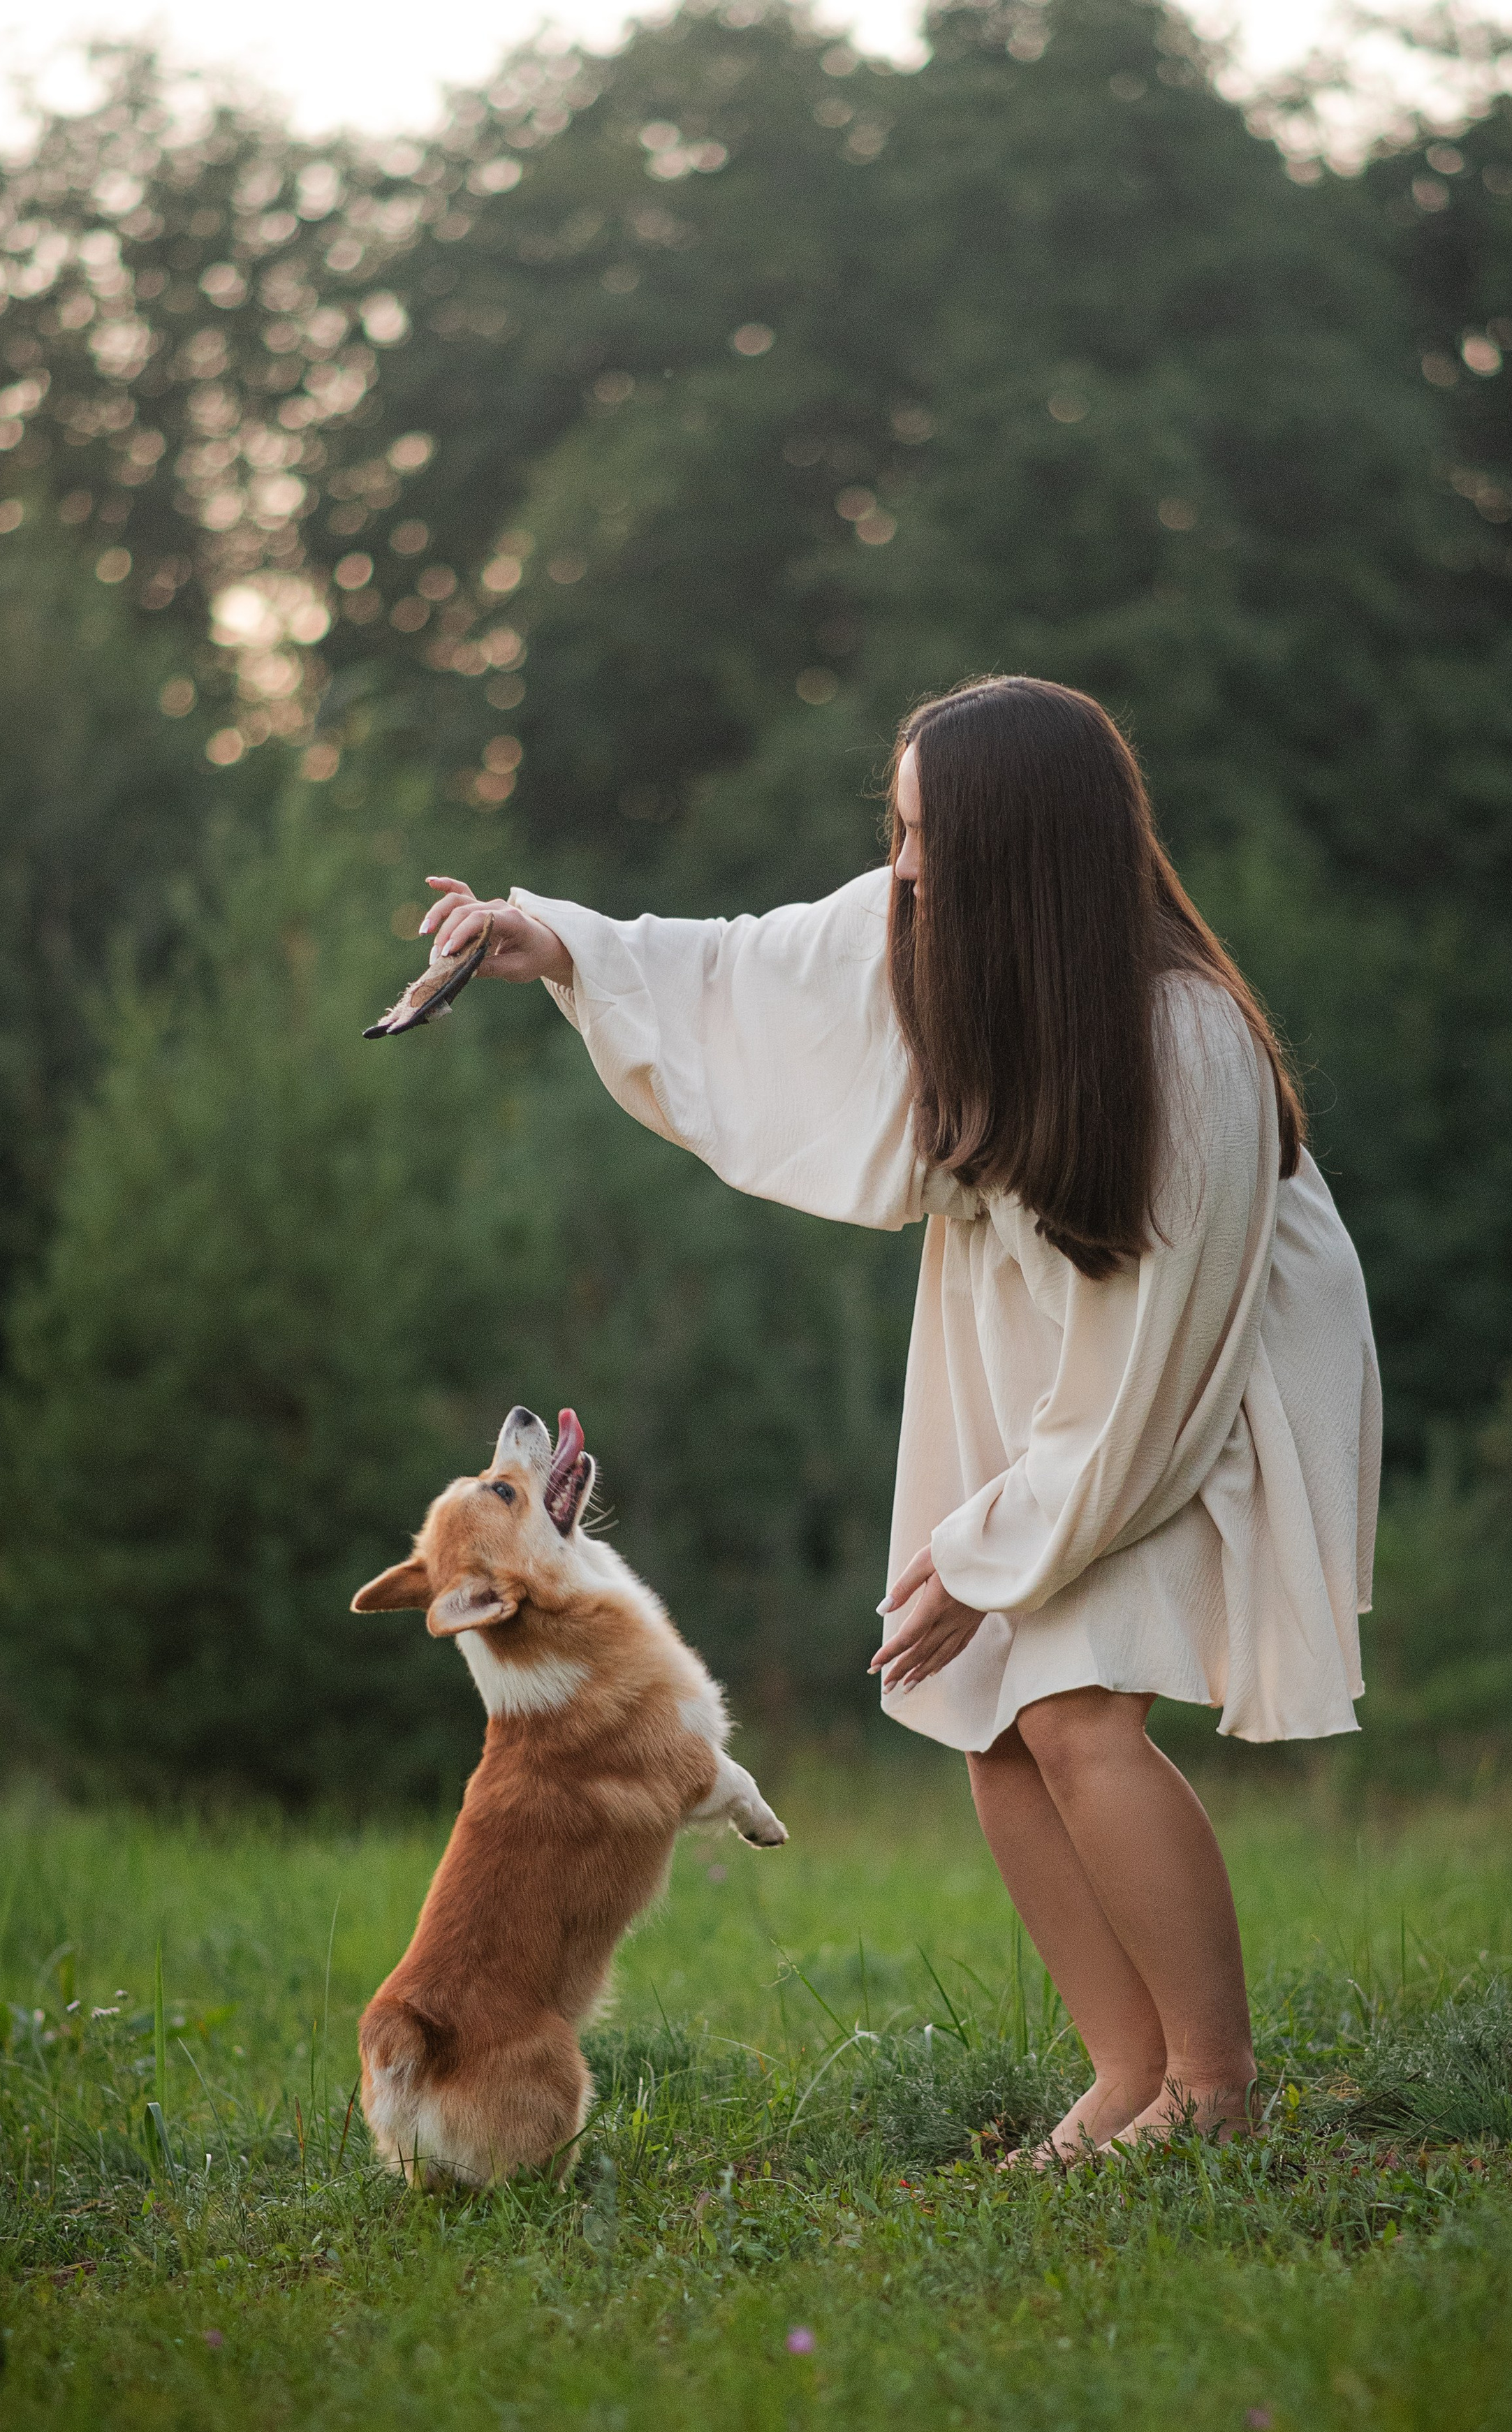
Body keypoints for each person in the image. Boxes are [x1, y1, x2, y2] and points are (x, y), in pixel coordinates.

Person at [418, 675, 1380, 2157]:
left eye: (931, 835)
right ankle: (1125, 2073)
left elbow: (1149, 1374)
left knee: (1073, 1707)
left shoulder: (1183, 1047)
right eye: (900, 828)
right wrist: (557, 941)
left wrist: (991, 1544)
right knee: (987, 1715)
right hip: (1021, 1358)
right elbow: (756, 974)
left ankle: (1214, 2087)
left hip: (1176, 1380)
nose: (906, 866)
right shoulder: (943, 943)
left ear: (1027, 850)